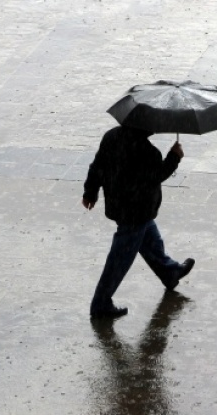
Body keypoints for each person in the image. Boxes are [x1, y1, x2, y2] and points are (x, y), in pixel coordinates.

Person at [82, 124, 195, 319]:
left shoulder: (111, 136)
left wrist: (90, 192)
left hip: (120, 206)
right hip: (137, 210)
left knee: (150, 238)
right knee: (120, 258)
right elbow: (157, 175)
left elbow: (97, 166)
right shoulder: (147, 152)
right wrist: (174, 157)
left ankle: (170, 272)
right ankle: (100, 303)